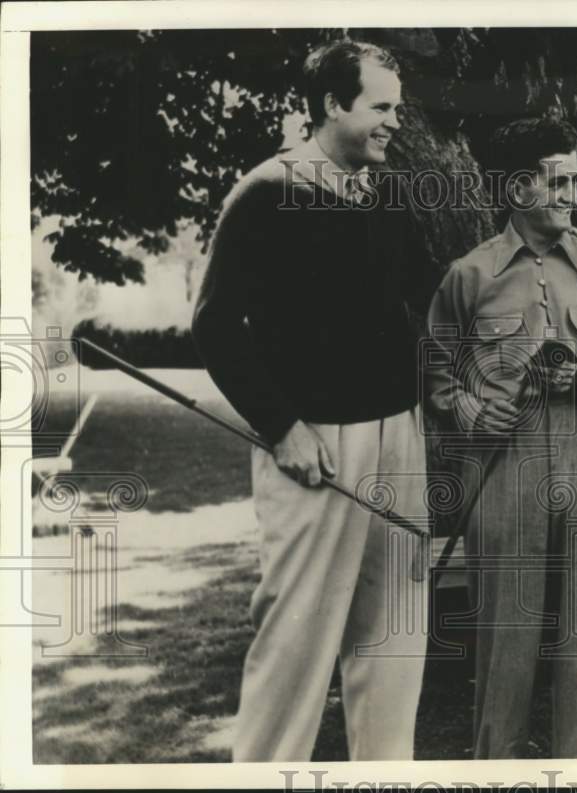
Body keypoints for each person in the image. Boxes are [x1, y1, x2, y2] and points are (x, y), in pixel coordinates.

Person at [192, 40, 431, 762]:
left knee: (394, 641)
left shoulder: (388, 193)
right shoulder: (266, 191)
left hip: (397, 436)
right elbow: (213, 323)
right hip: (315, 447)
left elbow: (402, 310)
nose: (396, 121)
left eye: (398, 106)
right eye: (381, 106)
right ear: (333, 104)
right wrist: (282, 426)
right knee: (295, 643)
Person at [424, 117, 577, 758]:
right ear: (518, 189)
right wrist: (466, 412)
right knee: (504, 641)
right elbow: (435, 372)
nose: (573, 191)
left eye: (575, 178)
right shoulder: (468, 275)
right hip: (504, 464)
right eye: (559, 180)